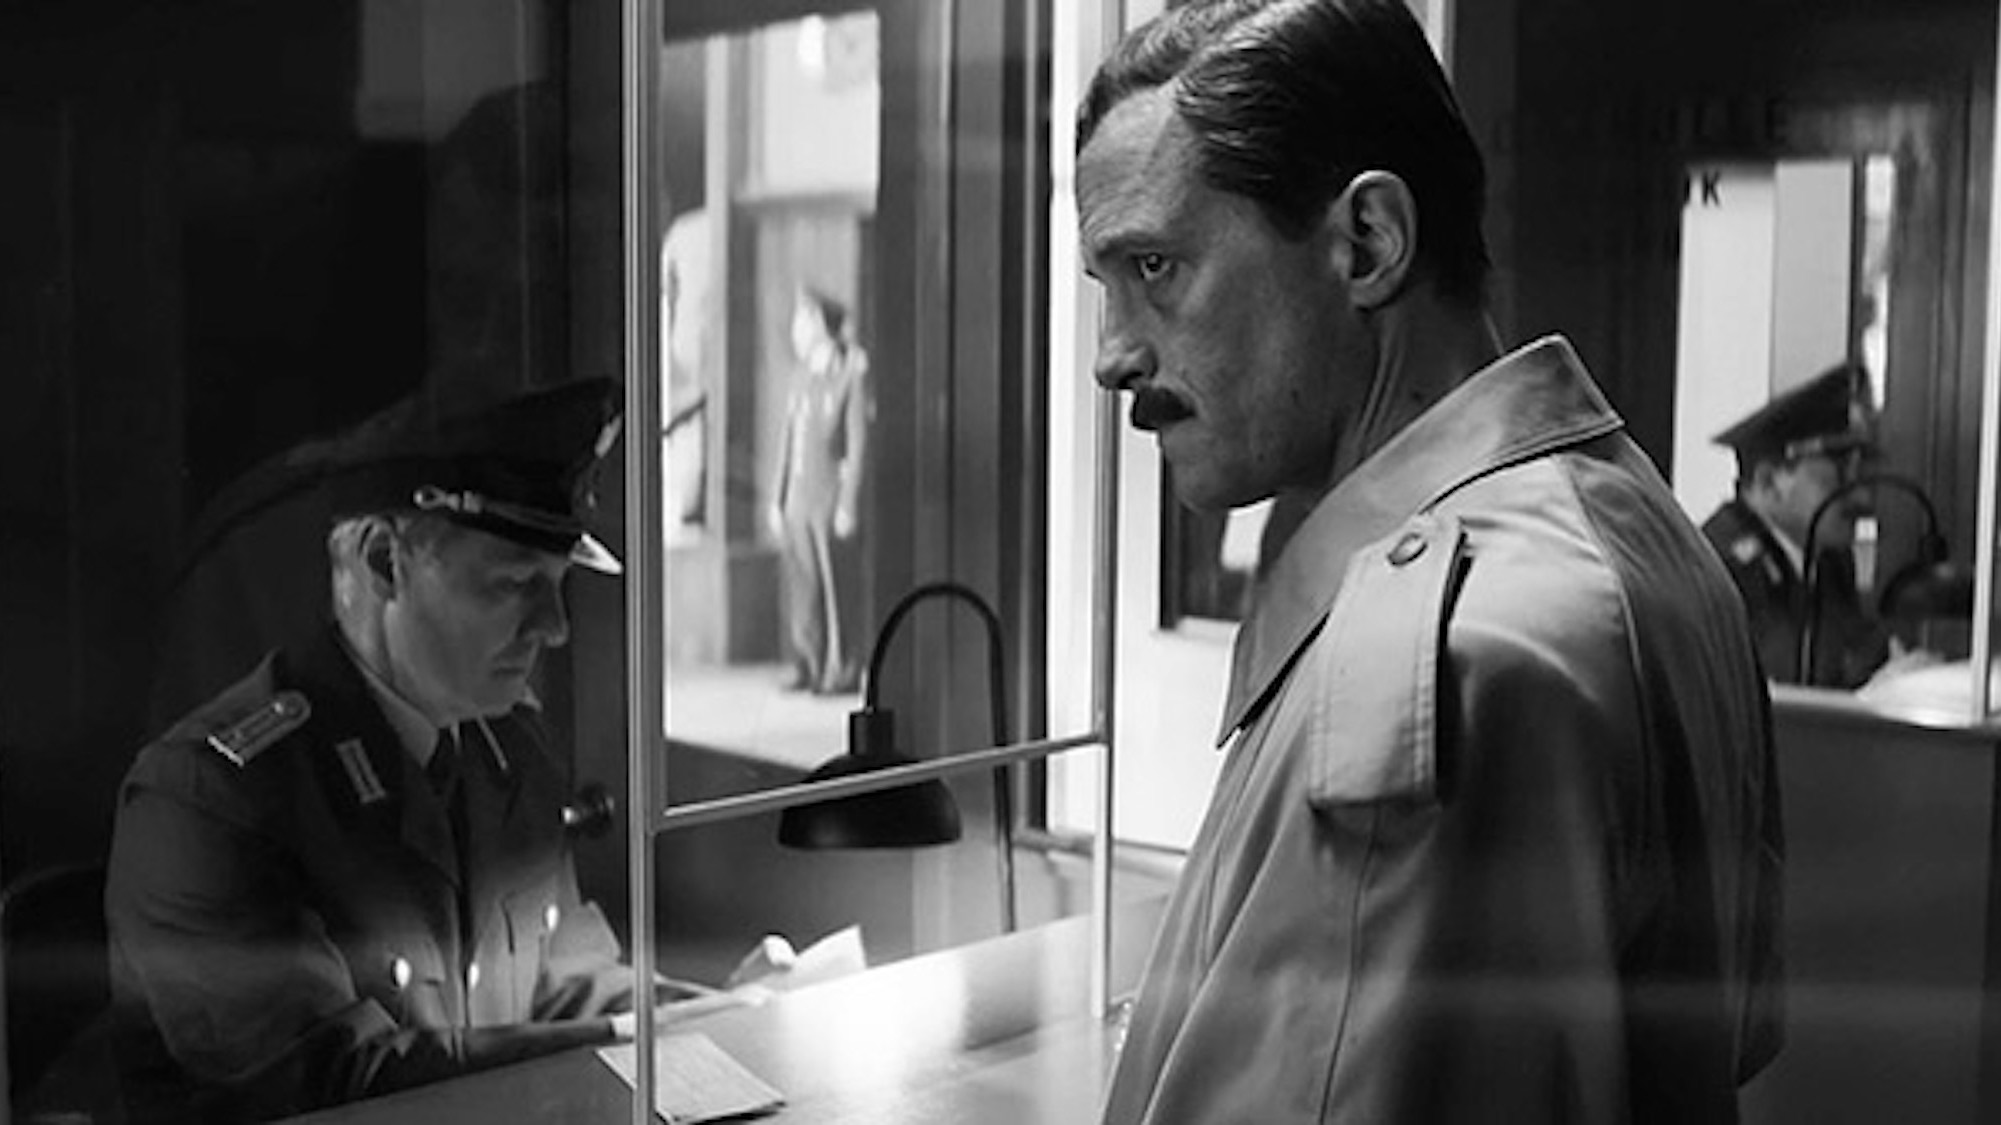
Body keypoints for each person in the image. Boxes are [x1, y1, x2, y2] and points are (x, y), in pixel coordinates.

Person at [1075, 2, 1782, 1122]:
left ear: (1367, 242)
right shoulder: (1644, 532)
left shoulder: (1438, 659)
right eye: (1103, 285)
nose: (1113, 353)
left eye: (1155, 266)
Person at [104, 378, 720, 1123]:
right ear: (383, 563)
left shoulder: (510, 750)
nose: (554, 626)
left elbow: (567, 986)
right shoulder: (210, 799)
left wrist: (730, 1010)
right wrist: (631, 1038)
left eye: (556, 584)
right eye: (513, 583)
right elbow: (332, 1087)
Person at [1701, 362, 1891, 687]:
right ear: (1769, 482)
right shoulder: (1721, 569)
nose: (1861, 498)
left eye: (1861, 474)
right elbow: (1781, 680)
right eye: (1841, 474)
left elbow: (1864, 653)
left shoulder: (1829, 561)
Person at [769, 287, 872, 695]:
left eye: (804, 319)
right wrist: (777, 497)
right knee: (803, 584)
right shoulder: (802, 376)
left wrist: (848, 503)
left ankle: (841, 666)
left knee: (835, 586)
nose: (797, 328)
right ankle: (807, 661)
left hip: (828, 496)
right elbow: (788, 438)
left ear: (820, 324)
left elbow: (858, 444)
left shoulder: (849, 374)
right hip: (798, 495)